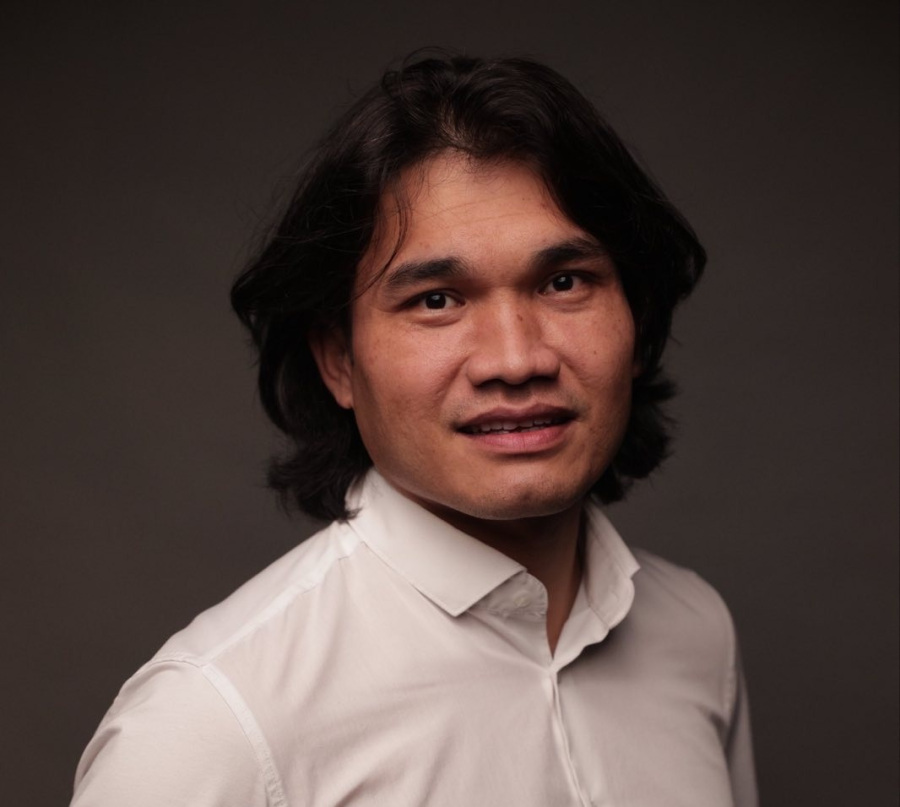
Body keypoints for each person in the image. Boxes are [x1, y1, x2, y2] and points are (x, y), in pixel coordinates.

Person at [72, 52, 757, 806]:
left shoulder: (696, 633)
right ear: (338, 359)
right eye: (436, 300)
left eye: (564, 282)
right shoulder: (211, 724)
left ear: (638, 321)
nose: (516, 359)